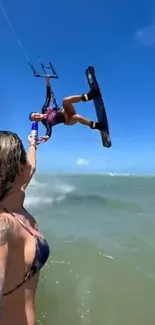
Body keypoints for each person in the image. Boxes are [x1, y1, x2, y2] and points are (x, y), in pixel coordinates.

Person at [0, 131, 50, 325]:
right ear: (19, 169)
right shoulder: (4, 226)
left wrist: (32, 144)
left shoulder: (13, 198)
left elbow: (32, 166)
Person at [29, 77, 110, 145]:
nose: (36, 116)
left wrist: (47, 83)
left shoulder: (44, 109)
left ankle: (89, 96)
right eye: (35, 118)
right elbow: (49, 130)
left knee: (65, 100)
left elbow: (48, 98)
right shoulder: (46, 122)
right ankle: (96, 126)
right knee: (77, 117)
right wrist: (47, 136)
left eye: (35, 115)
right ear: (37, 121)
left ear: (36, 112)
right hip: (68, 120)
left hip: (67, 111)